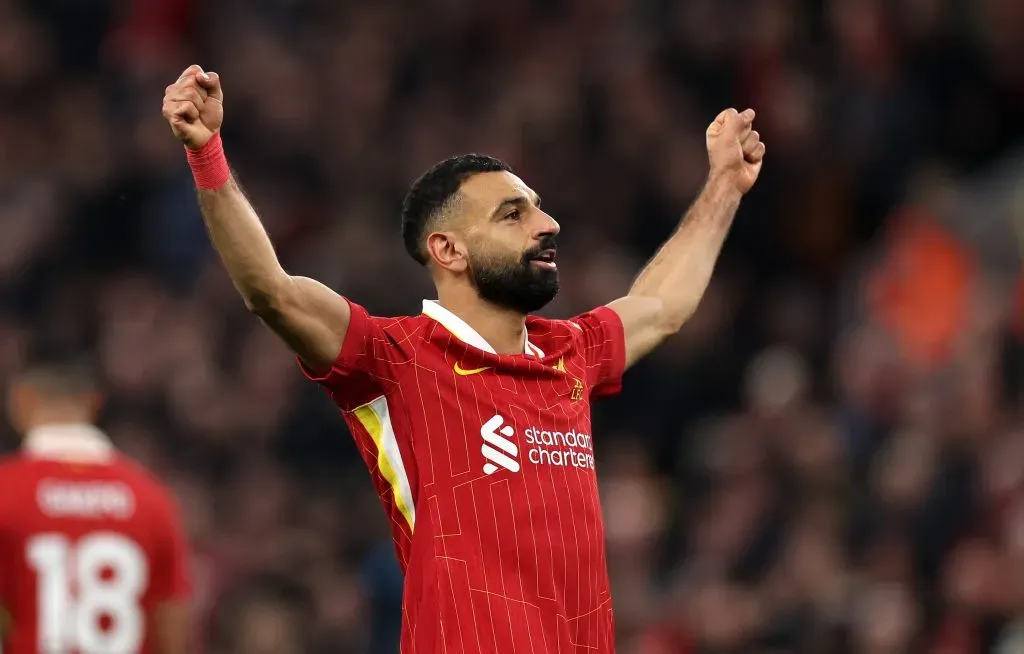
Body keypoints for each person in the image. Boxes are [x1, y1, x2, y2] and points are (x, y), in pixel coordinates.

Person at [162, 63, 765, 653]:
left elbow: (661, 305)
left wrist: (724, 186)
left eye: (537, 207)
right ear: (447, 249)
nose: (547, 224)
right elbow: (272, 290)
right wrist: (206, 152)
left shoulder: (570, 353)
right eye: (514, 214)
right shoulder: (395, 358)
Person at [0, 357, 192, 654]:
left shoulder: (7, 489)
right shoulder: (151, 497)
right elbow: (171, 627)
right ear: (94, 404)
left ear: (21, 400)